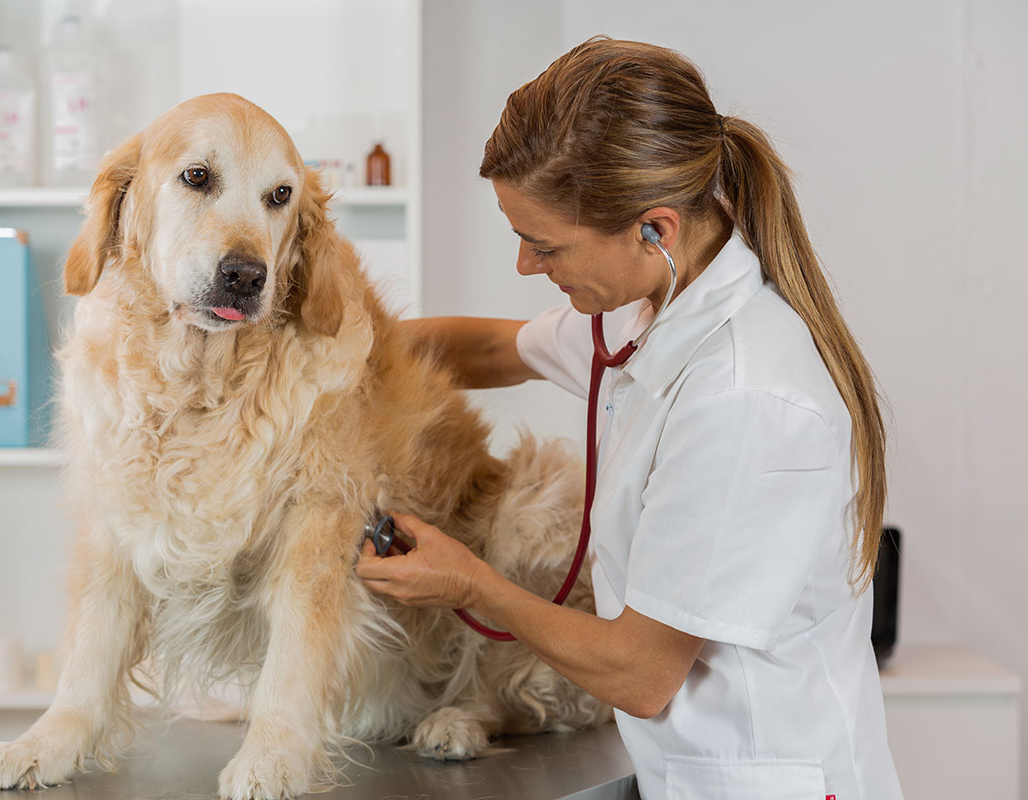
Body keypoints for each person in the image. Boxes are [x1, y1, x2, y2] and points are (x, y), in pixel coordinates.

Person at [355, 37, 904, 799]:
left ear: (656, 231)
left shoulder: (743, 398)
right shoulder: (642, 314)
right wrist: (333, 356)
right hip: (677, 771)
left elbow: (639, 672)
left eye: (543, 244)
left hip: (762, 781)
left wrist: (468, 582)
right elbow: (485, 348)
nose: (524, 265)